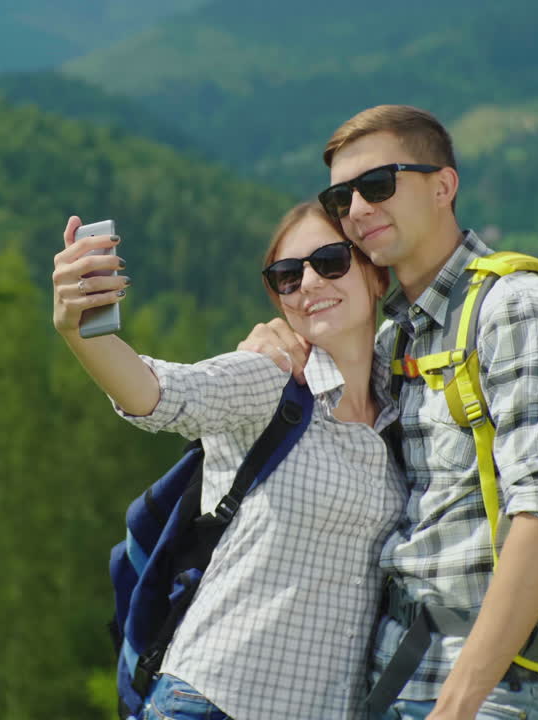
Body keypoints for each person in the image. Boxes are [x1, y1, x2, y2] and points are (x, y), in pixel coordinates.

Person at [240, 105, 538, 720]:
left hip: (491, 693)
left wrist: (456, 707)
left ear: (443, 186)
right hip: (390, 675)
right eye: (340, 199)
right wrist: (270, 345)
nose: (356, 210)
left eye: (378, 185)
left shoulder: (519, 309)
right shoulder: (396, 341)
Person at [51, 203, 407, 720]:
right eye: (287, 276)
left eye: (330, 261)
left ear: (377, 277)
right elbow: (160, 394)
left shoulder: (406, 409)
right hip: (215, 700)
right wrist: (81, 330)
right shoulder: (269, 381)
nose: (308, 282)